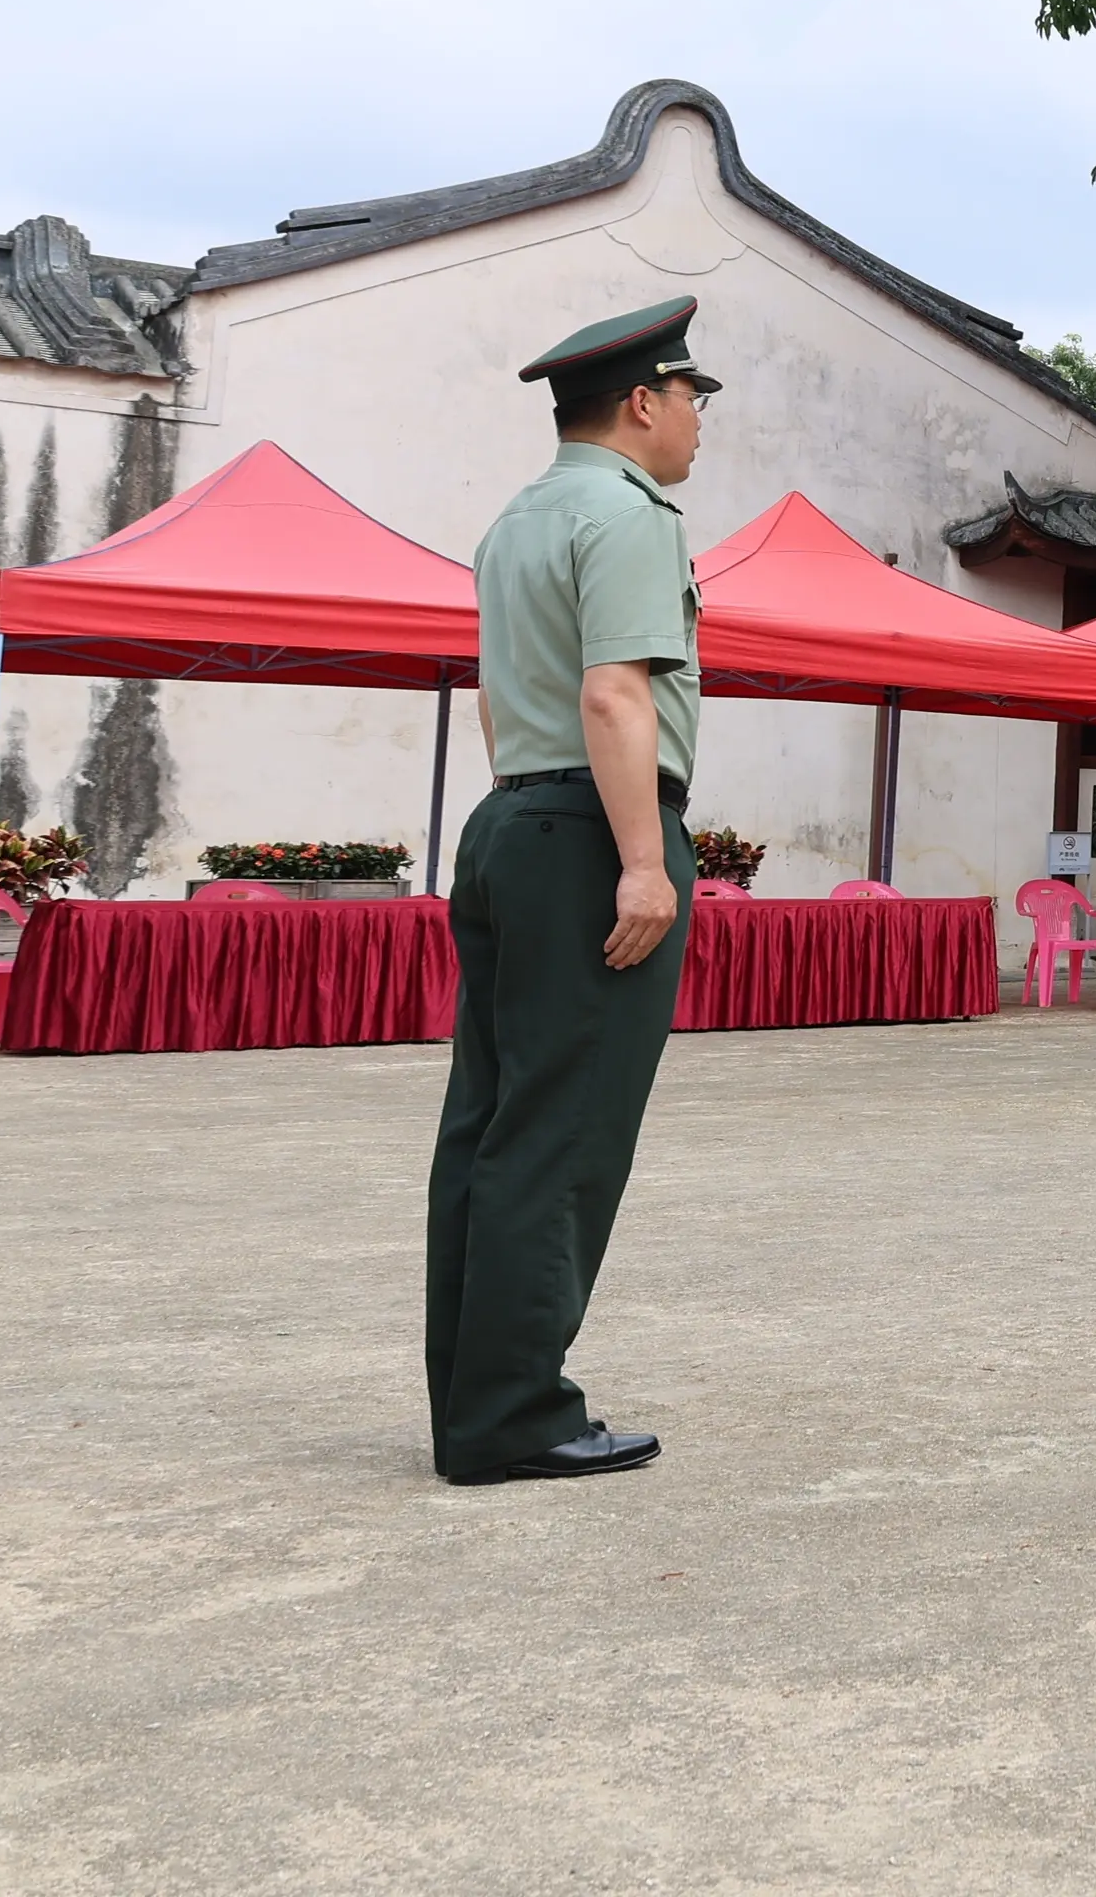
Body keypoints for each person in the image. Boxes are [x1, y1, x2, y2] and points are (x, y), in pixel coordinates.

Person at [428, 297, 719, 1487]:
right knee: (565, 1129)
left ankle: (477, 1399)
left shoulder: (517, 521)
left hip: (510, 818)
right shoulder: (632, 514)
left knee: (489, 1124)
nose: (700, 421)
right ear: (644, 401)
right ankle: (516, 1415)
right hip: (591, 831)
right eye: (694, 397)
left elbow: (504, 700)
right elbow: (615, 696)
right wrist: (641, 860)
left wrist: (538, 813)